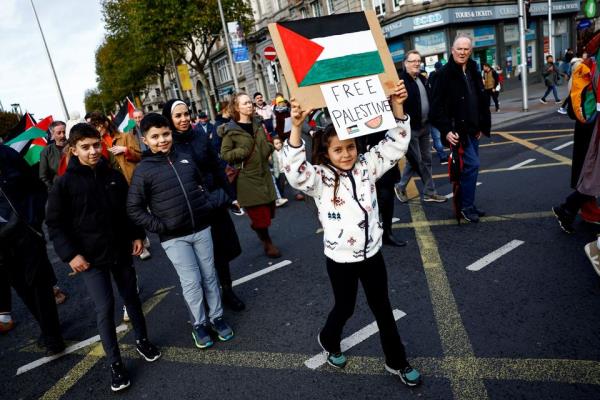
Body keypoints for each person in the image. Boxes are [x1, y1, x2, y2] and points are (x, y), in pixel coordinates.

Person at [283, 82, 422, 387]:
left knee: (382, 307)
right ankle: (329, 339)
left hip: (372, 253)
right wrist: (295, 128)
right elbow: (294, 173)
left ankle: (396, 361)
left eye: (350, 147)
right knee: (344, 307)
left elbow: (396, 144)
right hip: (340, 259)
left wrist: (398, 105)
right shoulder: (319, 178)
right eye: (338, 149)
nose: (345, 154)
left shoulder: (367, 166)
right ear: (326, 152)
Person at [46, 124, 160, 391]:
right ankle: (115, 363)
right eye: (85, 147)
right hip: (89, 259)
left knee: (131, 298)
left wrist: (137, 235)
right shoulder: (64, 184)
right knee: (105, 309)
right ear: (73, 150)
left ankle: (142, 341)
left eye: (96, 145)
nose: (93, 151)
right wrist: (71, 255)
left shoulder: (113, 175)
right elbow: (55, 224)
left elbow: (129, 210)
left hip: (120, 250)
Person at [127, 113, 236, 348]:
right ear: (145, 140)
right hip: (174, 238)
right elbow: (134, 208)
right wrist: (160, 226)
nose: (162, 140)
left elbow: (201, 187)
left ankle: (216, 318)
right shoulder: (143, 170)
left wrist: (206, 206)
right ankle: (199, 323)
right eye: (155, 137)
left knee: (209, 275)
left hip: (202, 228)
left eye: (165, 134)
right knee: (191, 281)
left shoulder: (185, 159)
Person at [162, 99, 245, 311]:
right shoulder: (168, 144)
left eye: (186, 113)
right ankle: (208, 299)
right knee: (200, 259)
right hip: (192, 208)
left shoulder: (200, 136)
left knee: (223, 252)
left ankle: (227, 291)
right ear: (169, 120)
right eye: (178, 116)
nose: (184, 119)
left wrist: (230, 195)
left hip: (215, 202)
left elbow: (217, 168)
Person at [0, 144, 65, 353]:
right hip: (2, 243)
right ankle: (47, 328)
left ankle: (52, 336)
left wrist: (33, 220)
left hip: (24, 231)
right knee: (21, 286)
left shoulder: (6, 154)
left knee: (39, 282)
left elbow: (34, 186)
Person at [430, 34, 491, 223]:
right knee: (472, 166)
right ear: (452, 50)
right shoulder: (443, 74)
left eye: (466, 49)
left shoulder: (473, 68)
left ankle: (469, 204)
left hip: (473, 129)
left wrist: (481, 124)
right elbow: (435, 108)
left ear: (470, 51)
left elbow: (480, 98)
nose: (462, 52)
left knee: (470, 169)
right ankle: (465, 206)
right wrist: (447, 131)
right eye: (459, 49)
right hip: (458, 132)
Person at [220, 93, 282, 258]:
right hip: (246, 178)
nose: (250, 105)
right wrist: (241, 151)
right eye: (245, 103)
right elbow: (225, 154)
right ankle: (267, 242)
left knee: (269, 210)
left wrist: (269, 147)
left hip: (264, 174)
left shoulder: (258, 123)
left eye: (250, 102)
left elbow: (267, 140)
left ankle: (258, 226)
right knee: (260, 214)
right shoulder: (230, 130)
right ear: (237, 107)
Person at [394, 50, 447, 205]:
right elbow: (396, 105)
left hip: (425, 126)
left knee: (425, 160)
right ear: (405, 63)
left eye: (418, 60)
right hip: (410, 129)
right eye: (413, 61)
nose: (417, 63)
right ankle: (429, 191)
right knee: (417, 161)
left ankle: (402, 186)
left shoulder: (422, 79)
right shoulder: (401, 81)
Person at [88, 112, 142, 184]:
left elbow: (140, 156)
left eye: (98, 126)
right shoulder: (97, 145)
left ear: (106, 124)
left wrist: (125, 150)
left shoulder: (125, 136)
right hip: (115, 185)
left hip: (133, 180)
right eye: (95, 127)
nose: (97, 129)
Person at [426, 61, 449, 164]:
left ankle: (442, 156)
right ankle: (445, 156)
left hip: (432, 114)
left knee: (437, 137)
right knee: (444, 135)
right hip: (441, 113)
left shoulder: (428, 82)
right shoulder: (444, 79)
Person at [39, 121, 67, 190]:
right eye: (59, 133)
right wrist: (53, 189)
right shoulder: (46, 152)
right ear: (53, 134)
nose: (62, 135)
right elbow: (43, 176)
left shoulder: (74, 147)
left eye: (64, 132)